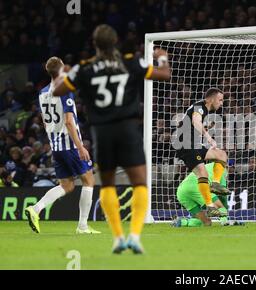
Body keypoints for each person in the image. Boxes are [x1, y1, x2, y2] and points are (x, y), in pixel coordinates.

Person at [52, 24, 171, 254]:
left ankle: (118, 238)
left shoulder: (85, 68)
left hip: (102, 132)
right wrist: (163, 57)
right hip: (127, 129)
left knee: (107, 184)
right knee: (139, 182)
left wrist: (65, 72)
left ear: (95, 45)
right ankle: (134, 236)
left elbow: (57, 90)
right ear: (115, 42)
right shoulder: (131, 62)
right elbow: (164, 74)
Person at [25, 57, 99, 235]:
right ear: (61, 70)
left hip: (56, 145)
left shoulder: (42, 92)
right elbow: (68, 121)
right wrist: (80, 146)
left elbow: (44, 120)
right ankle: (82, 226)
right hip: (69, 144)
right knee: (89, 180)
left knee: (67, 186)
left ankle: (36, 209)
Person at [175, 88, 230, 217]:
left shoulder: (202, 109)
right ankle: (210, 206)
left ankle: (215, 184)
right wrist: (209, 137)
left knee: (221, 155)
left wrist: (206, 128)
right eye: (220, 99)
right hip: (186, 146)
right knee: (202, 173)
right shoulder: (199, 107)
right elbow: (196, 121)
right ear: (211, 99)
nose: (222, 103)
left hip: (194, 145)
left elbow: (192, 125)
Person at [172, 162, 243, 227]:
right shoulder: (221, 168)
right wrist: (225, 212)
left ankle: (182, 222)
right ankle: (225, 223)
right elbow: (222, 194)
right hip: (198, 186)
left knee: (206, 222)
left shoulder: (208, 166)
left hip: (181, 191)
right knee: (219, 207)